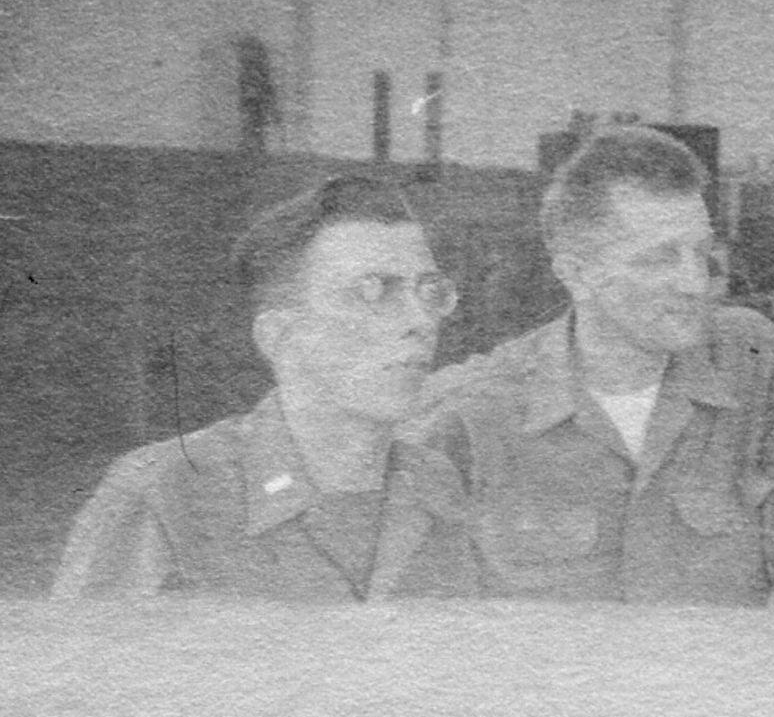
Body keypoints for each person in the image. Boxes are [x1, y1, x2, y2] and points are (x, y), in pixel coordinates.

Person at [416, 125, 774, 605]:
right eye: (659, 259)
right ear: (577, 275)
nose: (695, 283)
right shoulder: (471, 417)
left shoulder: (755, 363)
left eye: (701, 253)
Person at [53, 175, 482, 601]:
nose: (421, 321)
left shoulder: (435, 483)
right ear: (280, 337)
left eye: (430, 291)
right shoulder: (166, 494)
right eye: (374, 291)